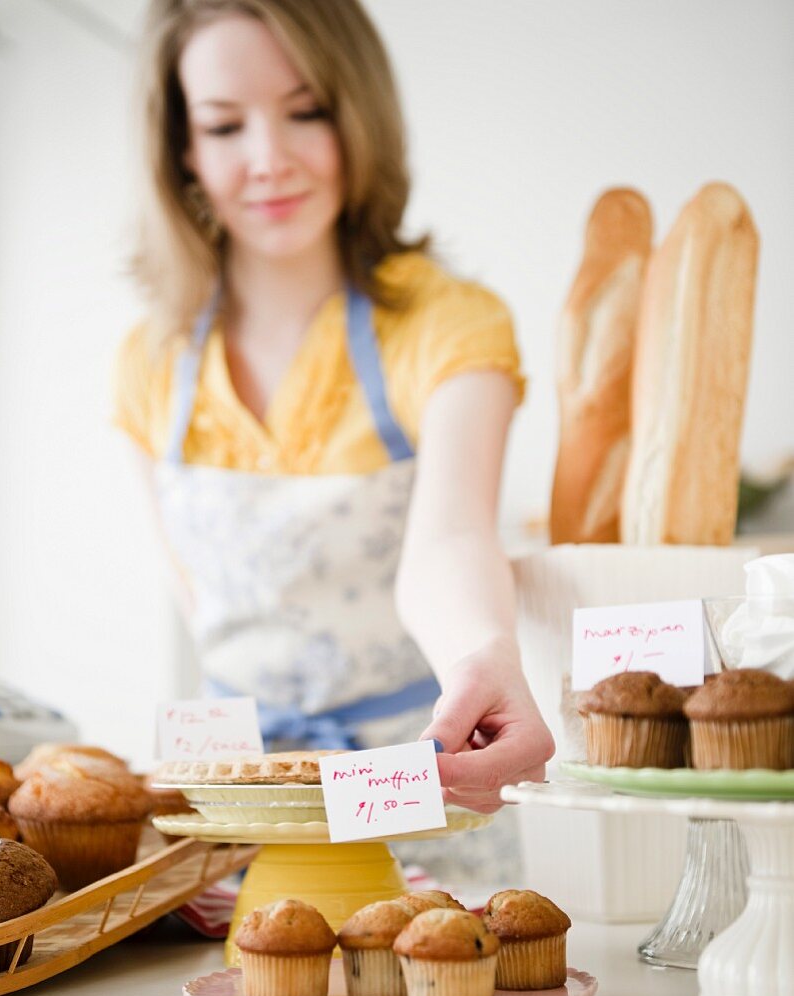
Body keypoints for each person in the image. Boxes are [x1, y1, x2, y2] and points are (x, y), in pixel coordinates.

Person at [114, 0, 553, 874]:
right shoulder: (151, 361)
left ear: (358, 114)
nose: (268, 159)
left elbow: (451, 537)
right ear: (183, 150)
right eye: (225, 125)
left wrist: (485, 653)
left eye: (306, 110)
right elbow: (207, 612)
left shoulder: (445, 323)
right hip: (238, 825)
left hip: (426, 803)